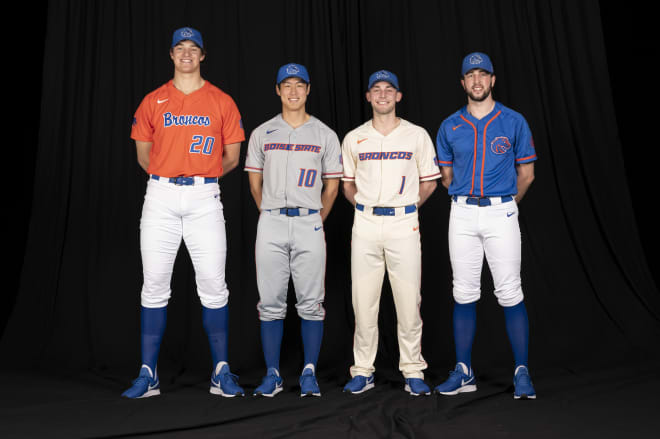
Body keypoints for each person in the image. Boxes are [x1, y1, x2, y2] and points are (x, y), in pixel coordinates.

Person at [123, 27, 245, 398]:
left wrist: (201, 178)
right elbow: (144, 155)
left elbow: (232, 157)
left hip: (204, 196)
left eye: (194, 48)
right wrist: (169, 176)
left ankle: (221, 372)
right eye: (181, 48)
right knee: (155, 285)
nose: (187, 54)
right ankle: (149, 374)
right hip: (160, 195)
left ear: (203, 55)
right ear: (171, 54)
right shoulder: (153, 100)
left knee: (213, 284)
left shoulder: (221, 101)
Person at [434, 52, 537, 399]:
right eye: (470, 76)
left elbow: (527, 174)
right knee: (463, 291)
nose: (477, 81)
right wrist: (470, 201)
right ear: (462, 83)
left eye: (483, 74)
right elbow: (446, 176)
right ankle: (464, 371)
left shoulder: (513, 121)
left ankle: (522, 370)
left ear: (492, 80)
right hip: (461, 212)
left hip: (501, 211)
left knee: (509, 291)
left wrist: (504, 204)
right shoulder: (450, 125)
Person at [244, 63, 342, 397]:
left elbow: (331, 187)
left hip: (308, 220)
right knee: (270, 301)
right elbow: (254, 182)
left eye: (300, 85)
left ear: (308, 89)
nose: (293, 91)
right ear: (277, 90)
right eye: (287, 85)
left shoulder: (324, 134)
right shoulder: (262, 133)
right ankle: (272, 374)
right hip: (271, 219)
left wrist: (316, 218)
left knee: (311, 301)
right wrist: (269, 212)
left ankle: (309, 372)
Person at [341, 70, 441, 396]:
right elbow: (347, 184)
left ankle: (413, 370)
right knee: (363, 302)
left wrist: (408, 205)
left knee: (409, 301)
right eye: (376, 90)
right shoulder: (355, 137)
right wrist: (367, 208)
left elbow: (429, 181)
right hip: (366, 222)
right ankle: (363, 370)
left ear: (398, 96)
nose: (382, 95)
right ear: (368, 97)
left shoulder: (417, 136)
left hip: (403, 222)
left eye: (389, 90)